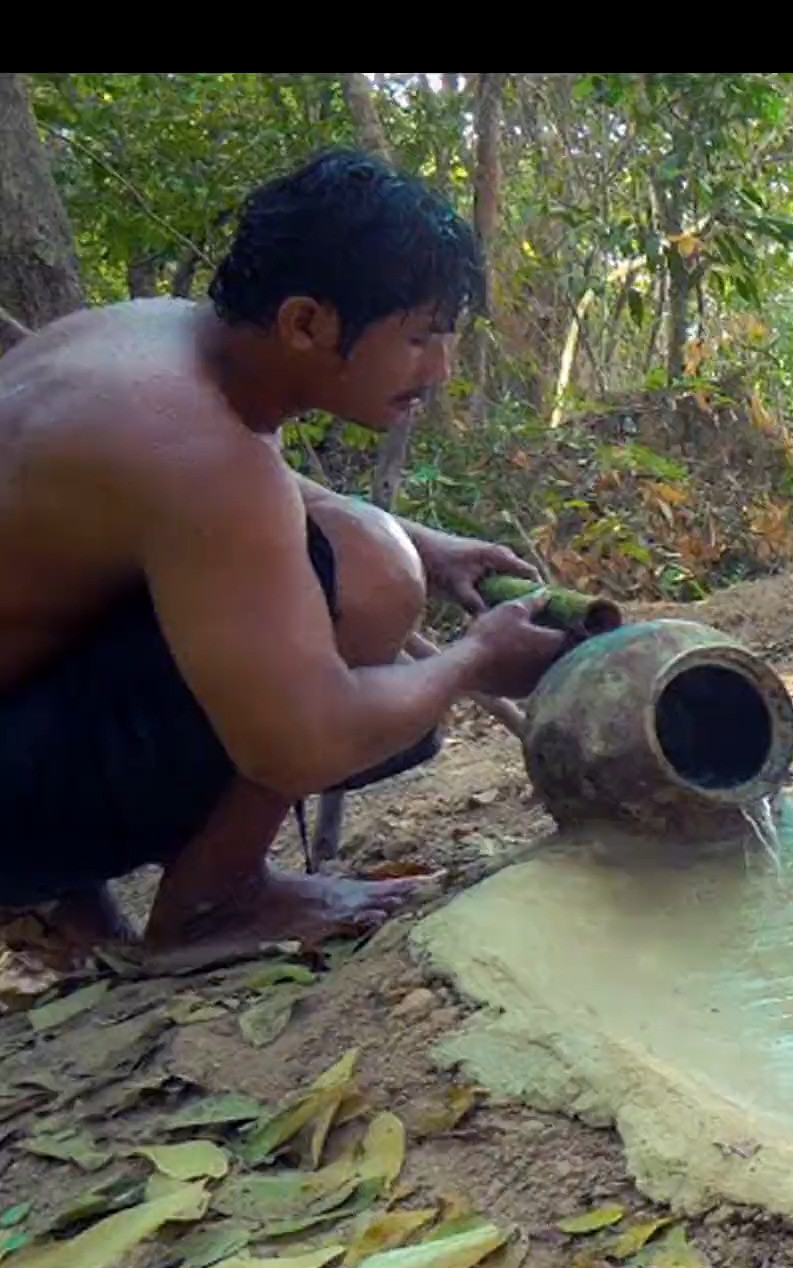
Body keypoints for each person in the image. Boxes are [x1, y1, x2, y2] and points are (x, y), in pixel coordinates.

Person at [0, 149, 565, 960]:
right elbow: (304, 744)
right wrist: (474, 660)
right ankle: (213, 905)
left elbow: (234, 483)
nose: (438, 370)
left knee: (371, 546)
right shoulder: (198, 453)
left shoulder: (155, 338)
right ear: (306, 322)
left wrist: (428, 544)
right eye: (417, 338)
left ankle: (72, 900)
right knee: (369, 574)